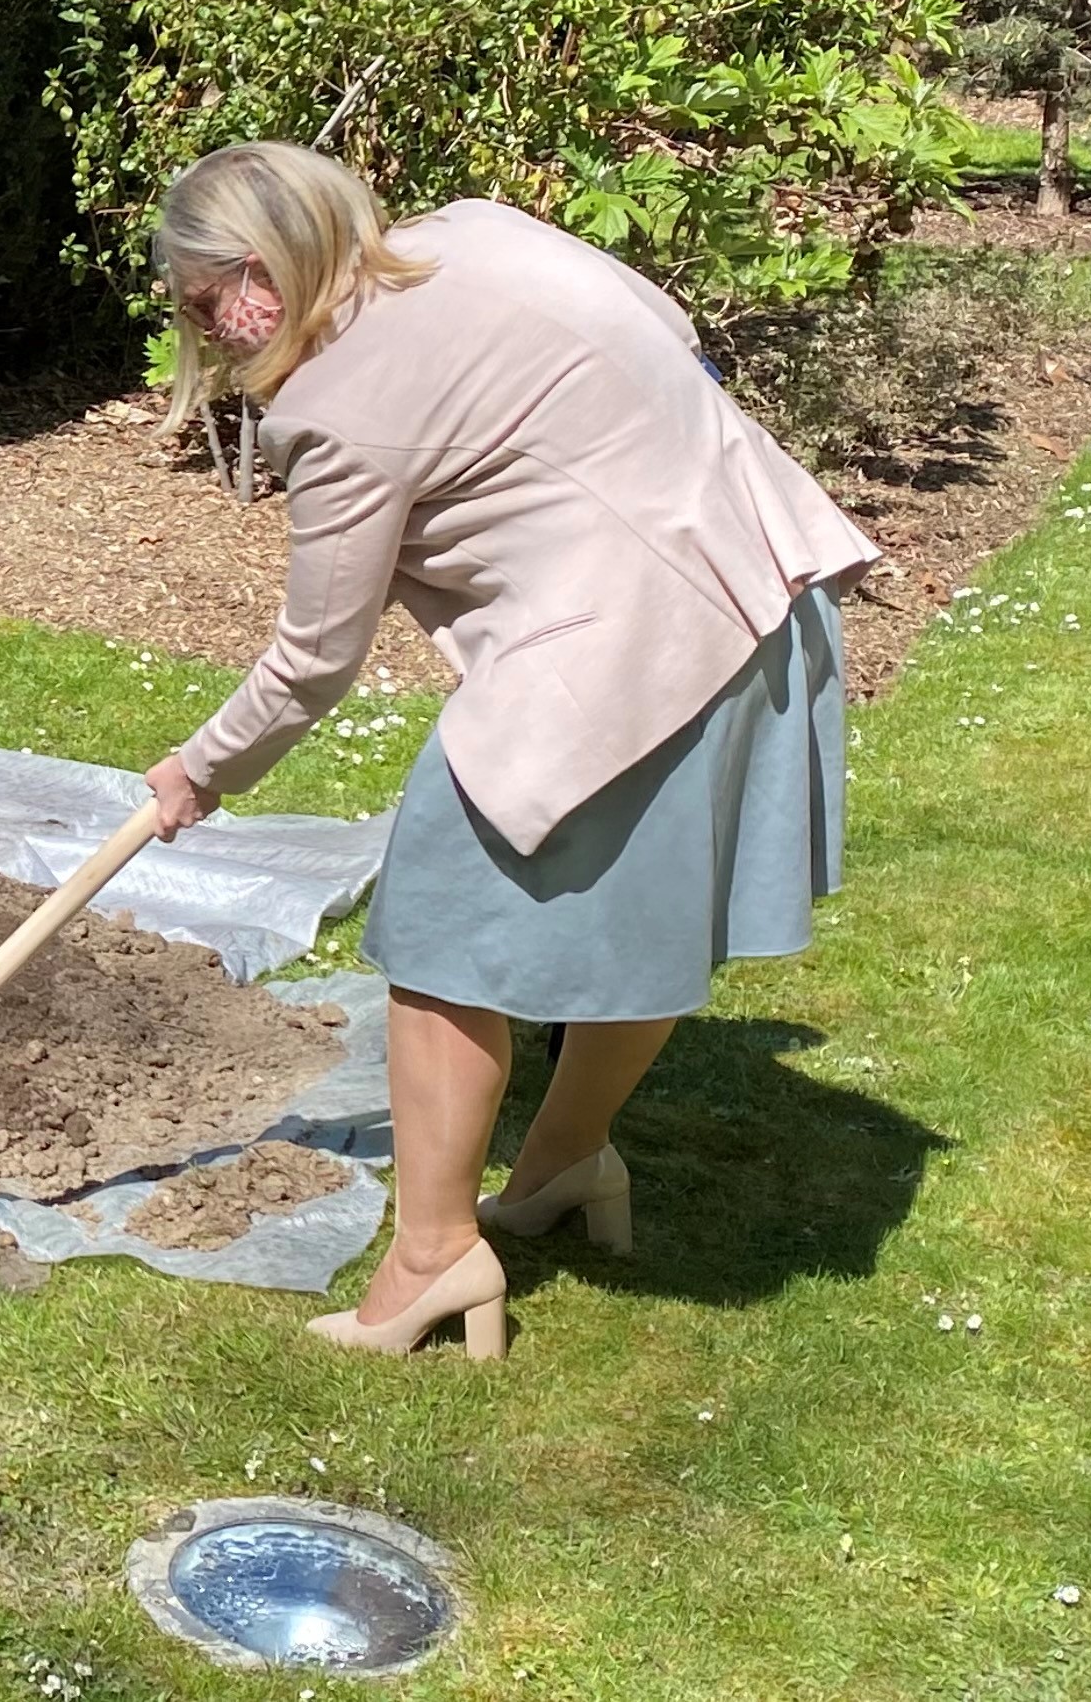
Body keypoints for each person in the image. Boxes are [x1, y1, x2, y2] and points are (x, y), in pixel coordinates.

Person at [140, 142, 876, 1359]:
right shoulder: (471, 231)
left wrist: (202, 768)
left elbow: (315, 658)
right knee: (642, 926)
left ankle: (434, 1257)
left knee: (438, 932)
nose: (205, 326)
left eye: (203, 297)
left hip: (634, 645)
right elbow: (663, 318)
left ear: (260, 268)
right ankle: (562, 1164)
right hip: (762, 589)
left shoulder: (335, 406)